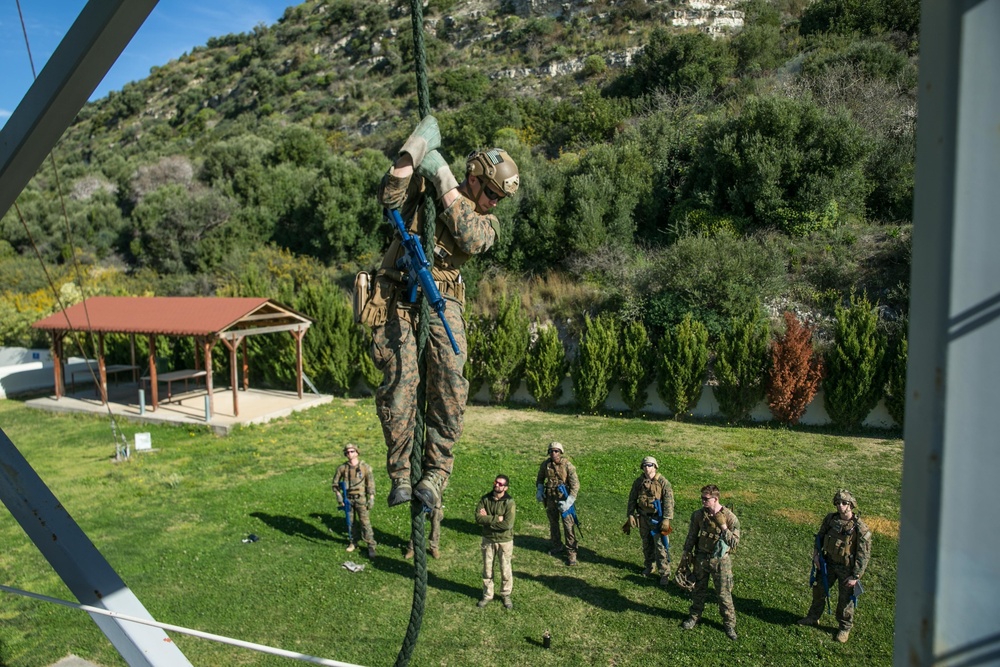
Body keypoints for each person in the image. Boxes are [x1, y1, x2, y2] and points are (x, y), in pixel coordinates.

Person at [359, 115, 520, 511]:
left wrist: (442, 175)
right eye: (492, 192)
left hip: (442, 300)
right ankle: (400, 474)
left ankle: (435, 474)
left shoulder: (488, 221)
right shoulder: (425, 191)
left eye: (499, 197)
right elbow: (388, 195)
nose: (494, 202)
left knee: (451, 379)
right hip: (396, 295)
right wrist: (414, 151)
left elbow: (469, 234)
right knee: (399, 385)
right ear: (476, 177)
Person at [797, 489, 873, 643]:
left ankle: (844, 627)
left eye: (844, 503)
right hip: (828, 564)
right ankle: (813, 617)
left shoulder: (859, 527)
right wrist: (816, 555)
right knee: (819, 591)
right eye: (837, 503)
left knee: (845, 601)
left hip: (847, 569)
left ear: (851, 505)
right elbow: (820, 536)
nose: (840, 506)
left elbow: (863, 554)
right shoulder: (830, 519)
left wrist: (855, 576)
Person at [680, 484, 741, 640]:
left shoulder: (729, 517)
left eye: (706, 499)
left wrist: (723, 526)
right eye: (702, 498)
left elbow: (734, 543)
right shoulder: (698, 515)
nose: (703, 501)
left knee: (723, 595)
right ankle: (694, 616)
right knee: (698, 590)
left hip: (721, 561)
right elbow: (692, 535)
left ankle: (729, 624)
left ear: (716, 499)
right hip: (701, 558)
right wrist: (686, 554)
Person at [625, 456, 674, 586]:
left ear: (655, 467)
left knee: (661, 546)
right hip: (643, 517)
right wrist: (630, 514)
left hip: (657, 519)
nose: (647, 468)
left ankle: (664, 573)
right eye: (645, 465)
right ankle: (649, 566)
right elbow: (632, 498)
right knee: (646, 543)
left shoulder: (663, 482)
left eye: (650, 465)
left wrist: (667, 519)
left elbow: (669, 502)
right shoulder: (638, 482)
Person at [535, 441, 580, 566]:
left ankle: (571, 553)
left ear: (560, 452)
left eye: (556, 451)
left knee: (568, 526)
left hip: (564, 499)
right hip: (550, 499)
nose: (553, 453)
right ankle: (557, 545)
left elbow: (575, 484)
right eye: (551, 451)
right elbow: (540, 478)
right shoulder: (545, 465)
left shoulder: (567, 465)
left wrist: (569, 500)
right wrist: (540, 490)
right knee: (553, 524)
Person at [475, 474, 516, 609]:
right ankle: (487, 595)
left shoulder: (509, 502)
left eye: (500, 484)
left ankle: (505, 595)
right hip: (488, 539)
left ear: (505, 487)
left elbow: (507, 524)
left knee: (505, 569)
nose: (496, 485)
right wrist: (496, 519)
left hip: (505, 541)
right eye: (496, 482)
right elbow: (478, 518)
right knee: (487, 570)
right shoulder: (485, 499)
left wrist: (487, 519)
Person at [332, 444, 377, 558]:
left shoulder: (365, 467)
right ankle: (353, 541)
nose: (349, 454)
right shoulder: (342, 468)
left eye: (352, 451)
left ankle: (371, 544)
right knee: (350, 522)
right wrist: (339, 496)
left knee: (365, 522)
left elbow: (370, 484)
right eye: (347, 452)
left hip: (361, 498)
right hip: (348, 499)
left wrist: (371, 497)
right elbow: (335, 484)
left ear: (357, 452)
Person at [405, 477, 447, 560]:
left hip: (435, 498)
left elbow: (445, 478)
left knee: (435, 524)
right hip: (420, 496)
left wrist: (436, 491)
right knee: (417, 522)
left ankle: (434, 547)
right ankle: (412, 547)